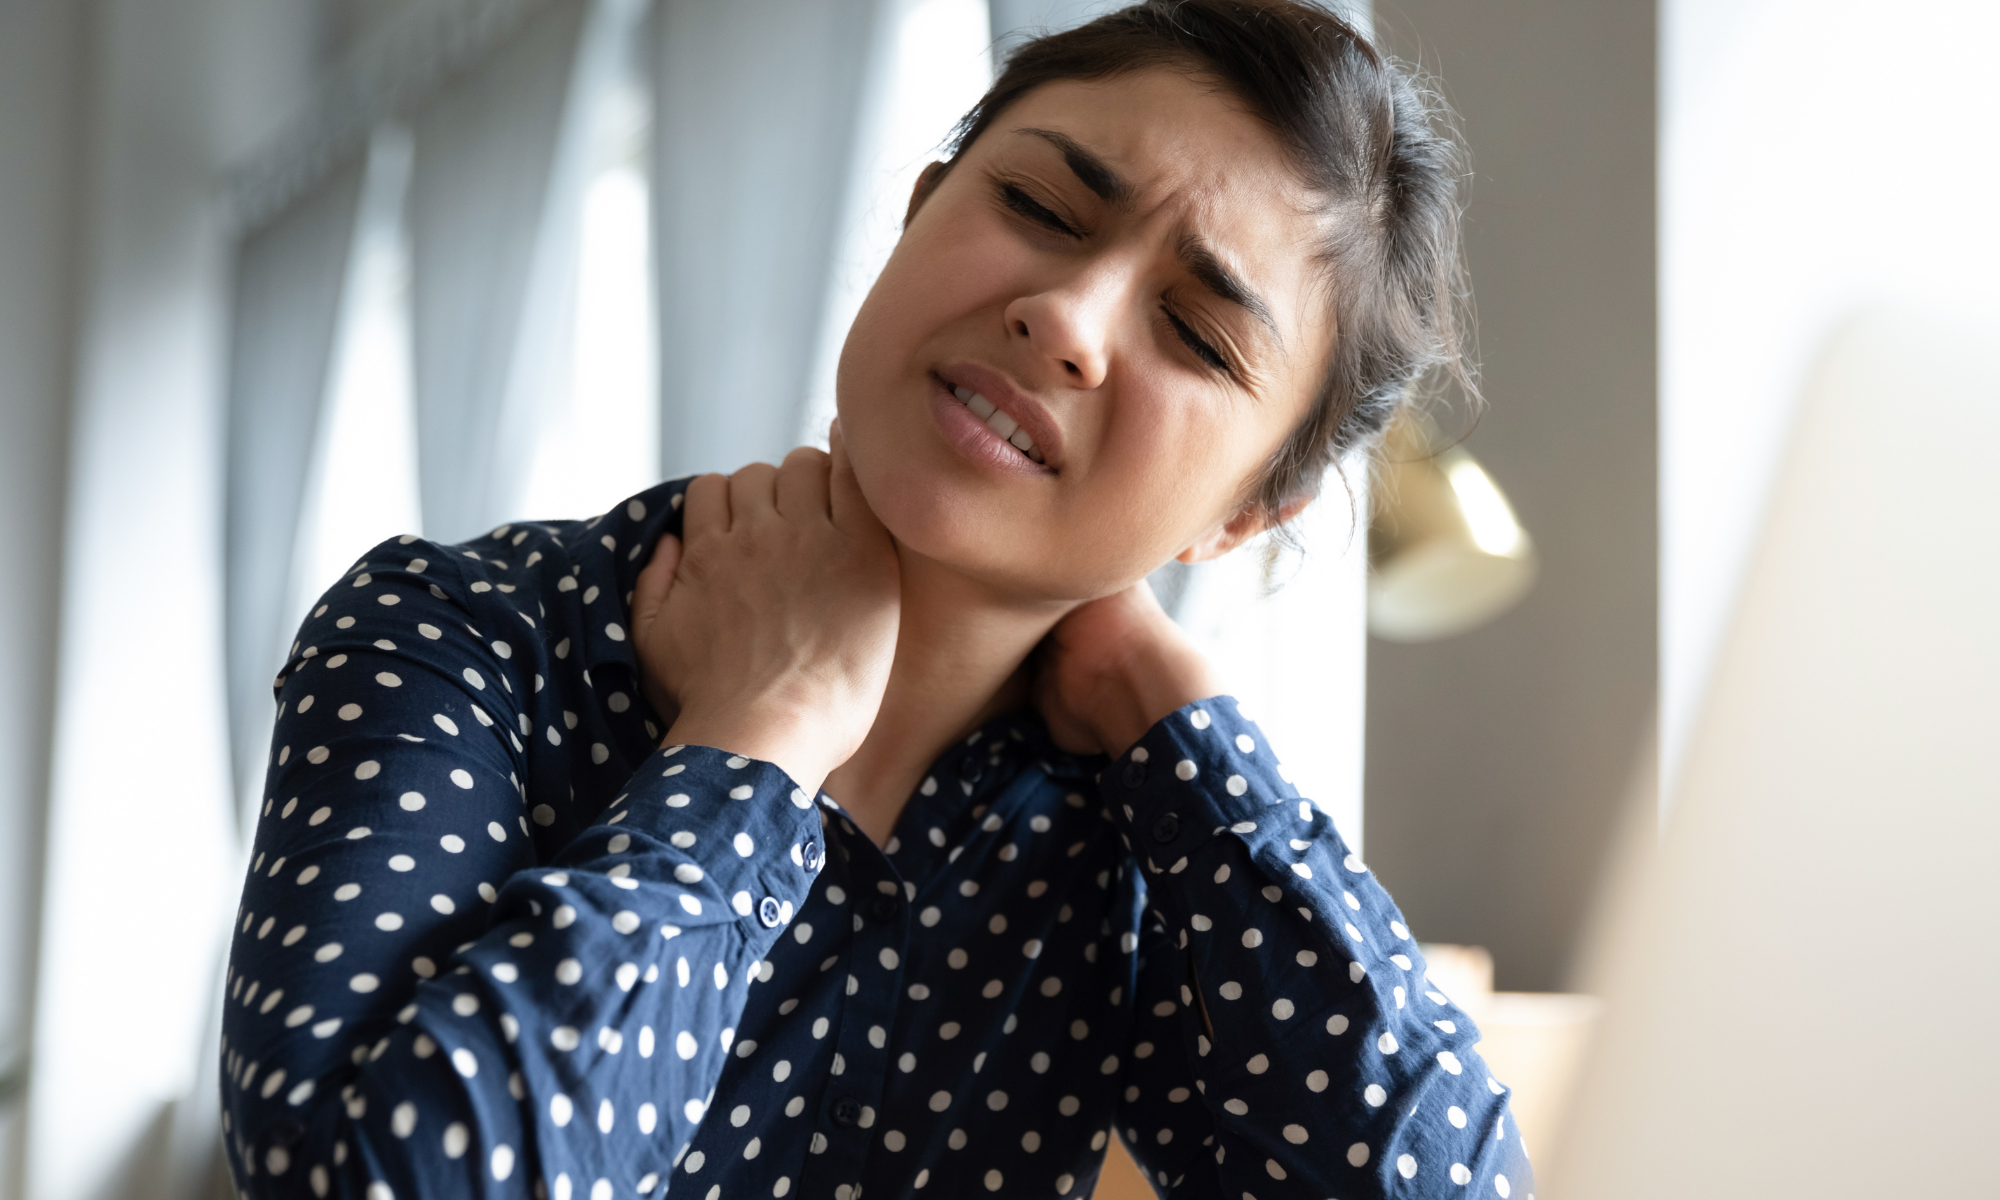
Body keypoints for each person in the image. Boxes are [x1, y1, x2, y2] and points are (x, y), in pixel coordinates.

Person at [220, 2, 1533, 1196]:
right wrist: (757, 739)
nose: (1067, 315)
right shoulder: (470, 638)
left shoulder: (1139, 850)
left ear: (1246, 514)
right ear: (919, 213)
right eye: (1041, 206)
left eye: (1195, 334)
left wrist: (1199, 755)